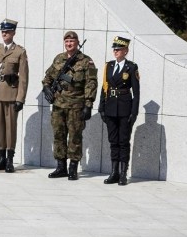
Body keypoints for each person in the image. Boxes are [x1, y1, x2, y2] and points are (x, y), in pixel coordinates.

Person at [42, 31, 97, 180]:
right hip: (59, 105)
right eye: (66, 41)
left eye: (72, 41)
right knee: (58, 135)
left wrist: (88, 104)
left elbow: (91, 83)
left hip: (76, 105)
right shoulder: (59, 59)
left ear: (77, 42)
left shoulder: (86, 61)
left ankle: (73, 168)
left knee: (74, 137)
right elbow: (47, 78)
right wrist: (47, 89)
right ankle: (61, 167)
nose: (69, 44)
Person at [0, 19, 29, 173]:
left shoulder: (20, 52)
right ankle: (1, 158)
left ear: (13, 33)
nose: (5, 33)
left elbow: (23, 77)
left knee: (11, 128)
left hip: (11, 94)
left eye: (8, 31)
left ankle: (10, 159)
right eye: (3, 31)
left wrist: (20, 98)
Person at [98, 36, 140, 186]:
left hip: (124, 108)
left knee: (123, 142)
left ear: (126, 51)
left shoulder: (131, 67)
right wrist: (101, 107)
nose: (116, 51)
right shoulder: (108, 66)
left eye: (119, 49)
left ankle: (123, 173)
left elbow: (136, 93)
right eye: (114, 49)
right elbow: (104, 88)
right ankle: (114, 172)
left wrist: (133, 113)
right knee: (113, 141)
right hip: (110, 107)